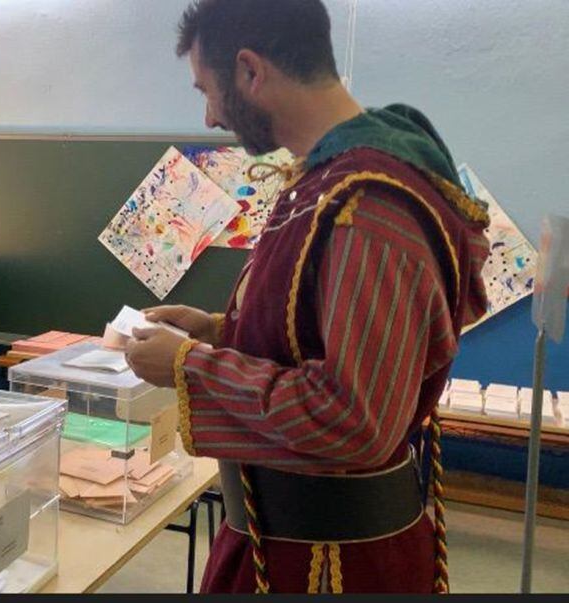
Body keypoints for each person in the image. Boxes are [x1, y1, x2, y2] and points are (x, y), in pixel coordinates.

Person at [124, 0, 491, 593]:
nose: (212, 117)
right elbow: (313, 334)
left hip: (331, 567)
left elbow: (354, 419)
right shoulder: (324, 184)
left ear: (250, 70)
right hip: (280, 544)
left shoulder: (368, 204)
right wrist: (217, 330)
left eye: (207, 90)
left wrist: (190, 364)